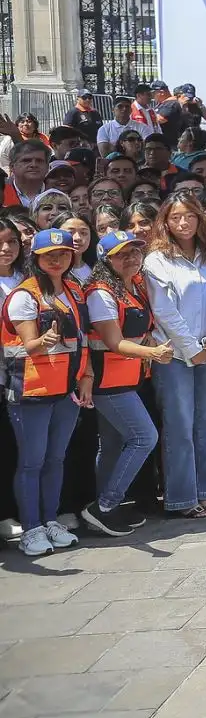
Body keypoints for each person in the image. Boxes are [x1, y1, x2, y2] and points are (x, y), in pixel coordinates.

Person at [75, 231, 170, 537]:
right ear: (106, 259)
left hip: (127, 378)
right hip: (108, 380)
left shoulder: (134, 286)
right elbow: (114, 342)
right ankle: (104, 505)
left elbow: (138, 330)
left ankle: (105, 510)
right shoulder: (100, 292)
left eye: (134, 252)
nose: (131, 258)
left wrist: (150, 343)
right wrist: (152, 352)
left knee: (114, 443)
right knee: (144, 437)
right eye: (122, 254)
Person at [143, 192, 206, 519]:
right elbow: (163, 310)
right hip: (176, 354)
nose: (183, 223)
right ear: (165, 221)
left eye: (190, 216)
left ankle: (205, 492)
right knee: (180, 425)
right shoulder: (156, 260)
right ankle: (181, 497)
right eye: (176, 217)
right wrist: (192, 349)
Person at [3, 230, 88, 554]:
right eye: (49, 254)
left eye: (63, 253)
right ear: (36, 257)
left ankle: (50, 520)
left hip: (66, 390)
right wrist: (44, 341)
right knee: (31, 462)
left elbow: (79, 340)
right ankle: (31, 528)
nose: (57, 259)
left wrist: (87, 376)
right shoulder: (25, 296)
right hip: (31, 392)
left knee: (56, 459)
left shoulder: (71, 290)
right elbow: (28, 346)